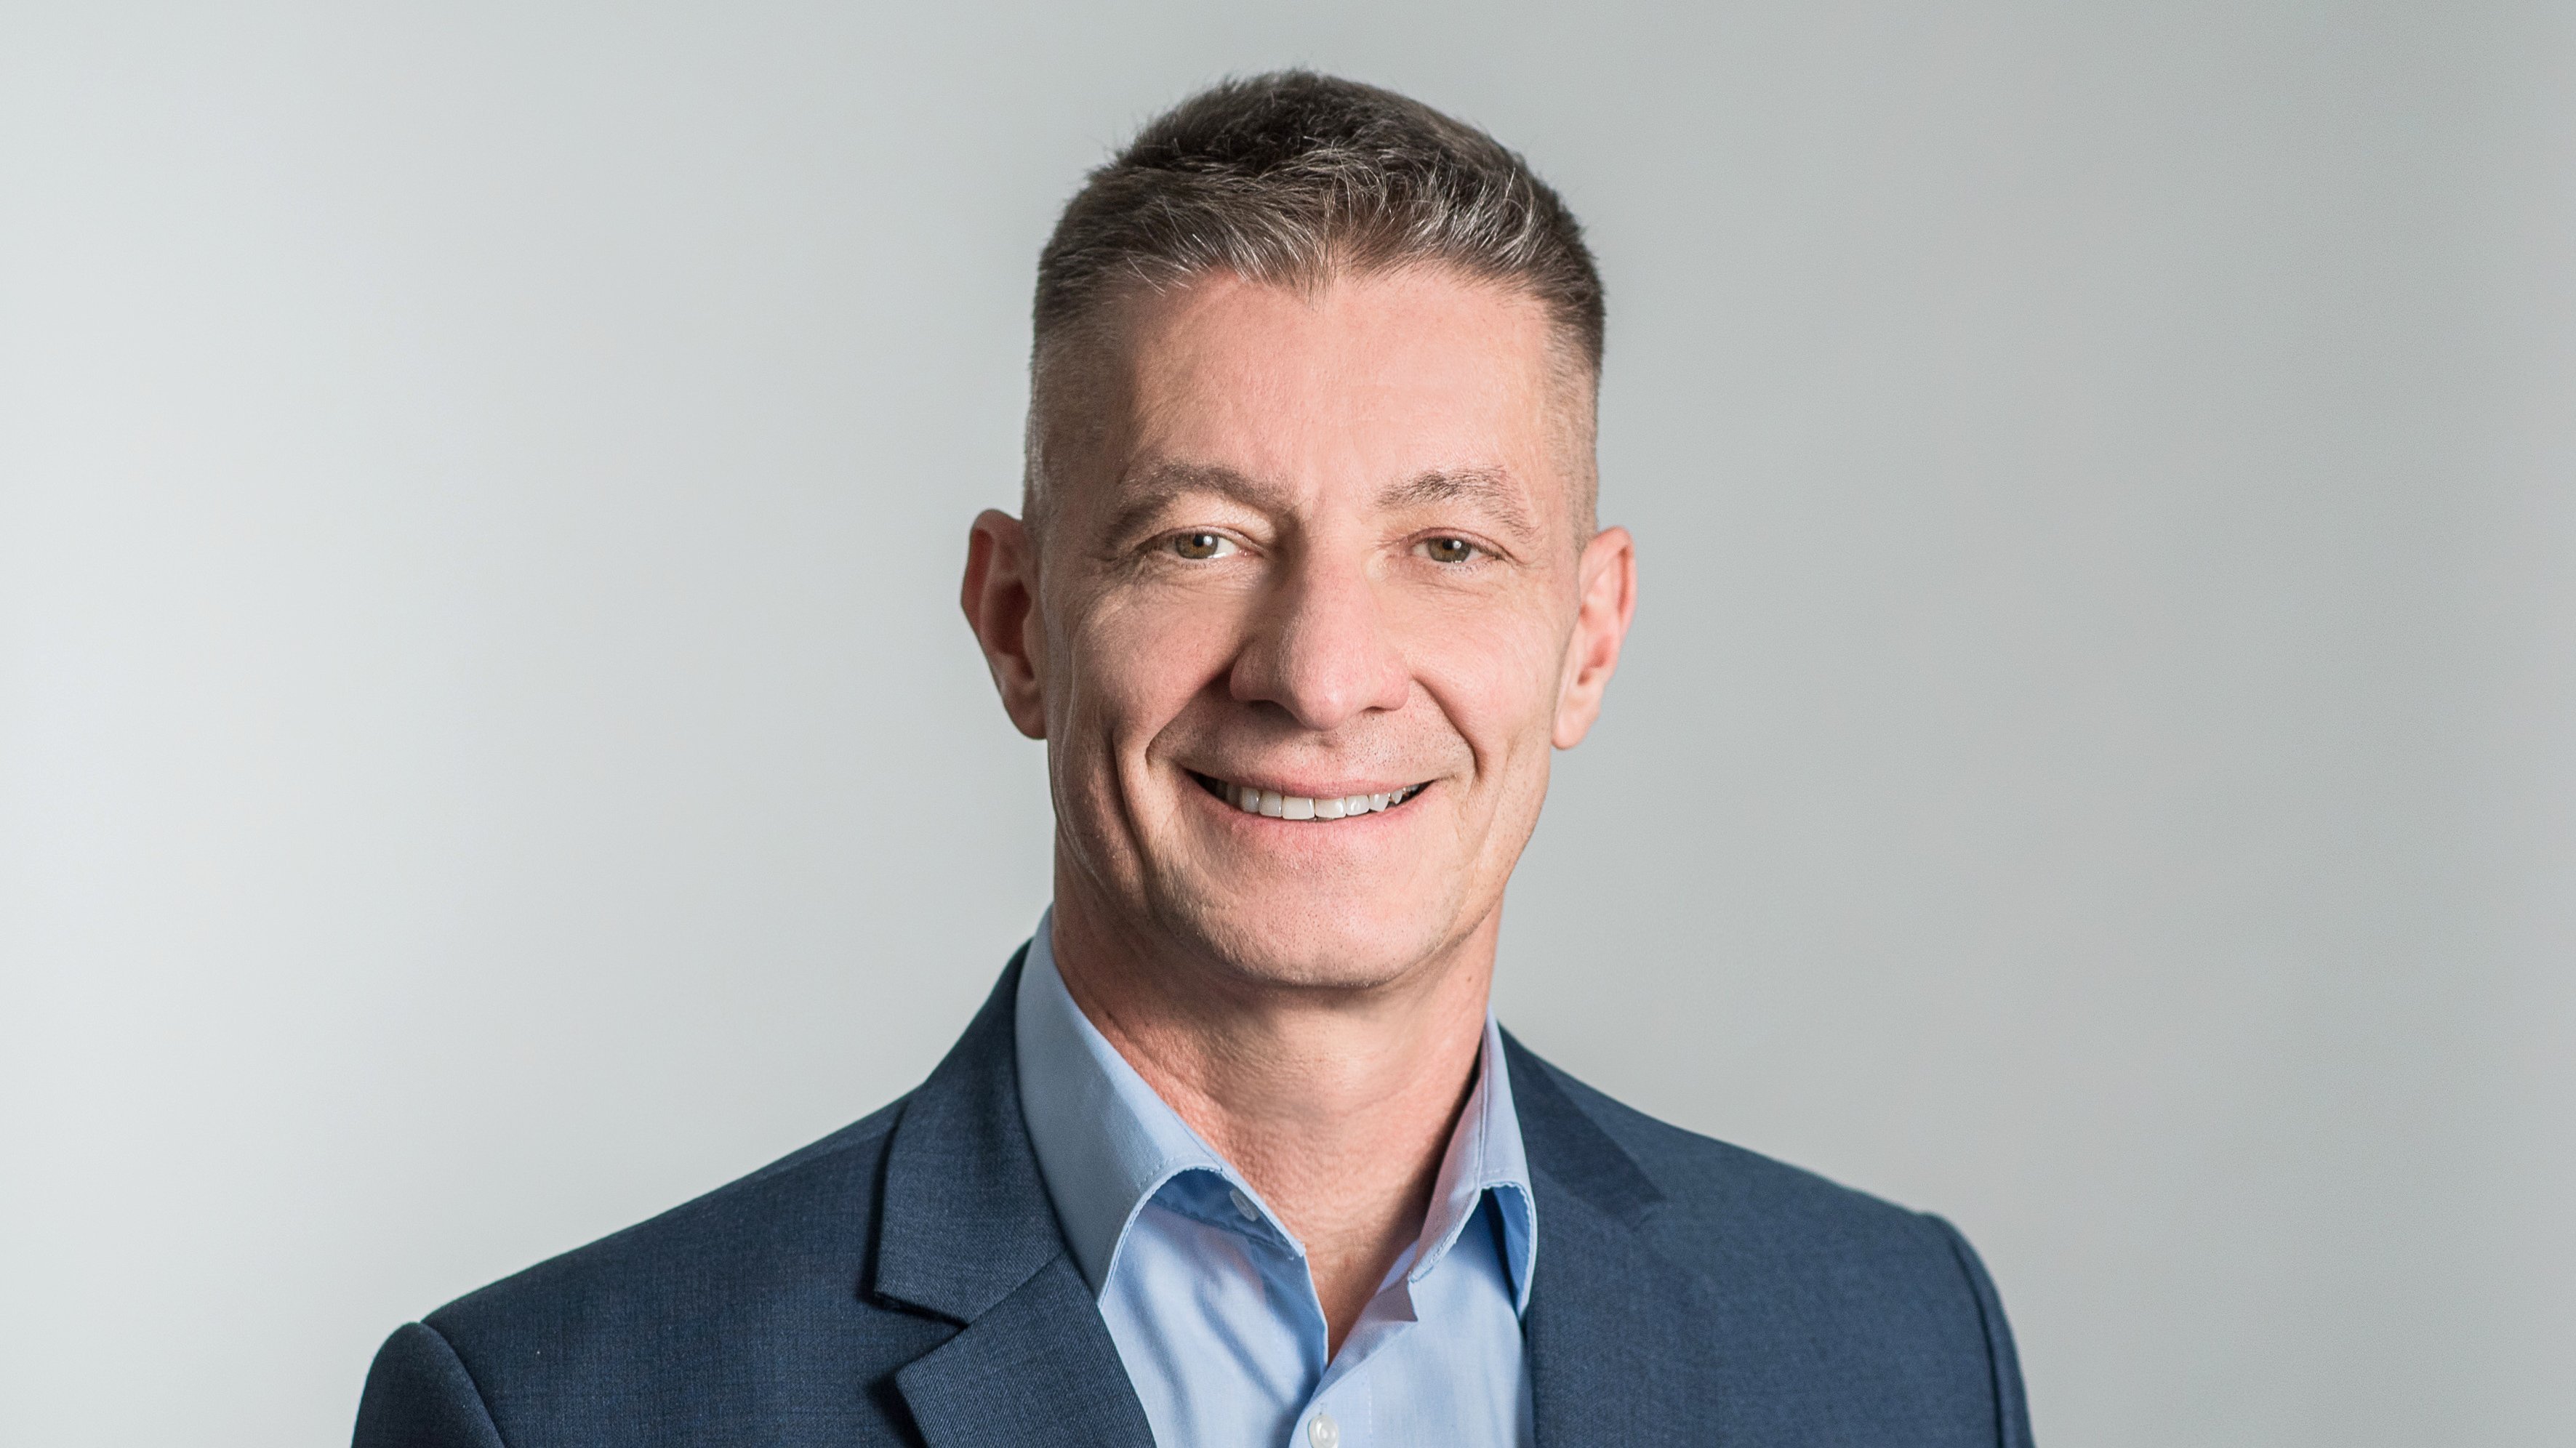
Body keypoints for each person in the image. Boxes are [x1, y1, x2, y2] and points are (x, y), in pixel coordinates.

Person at [353, 71, 2033, 1448]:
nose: (1318, 677)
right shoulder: (563, 1411)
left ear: (1586, 637)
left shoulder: (1894, 1353)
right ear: (1016, 621)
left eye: (1445, 545)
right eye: (1199, 541)